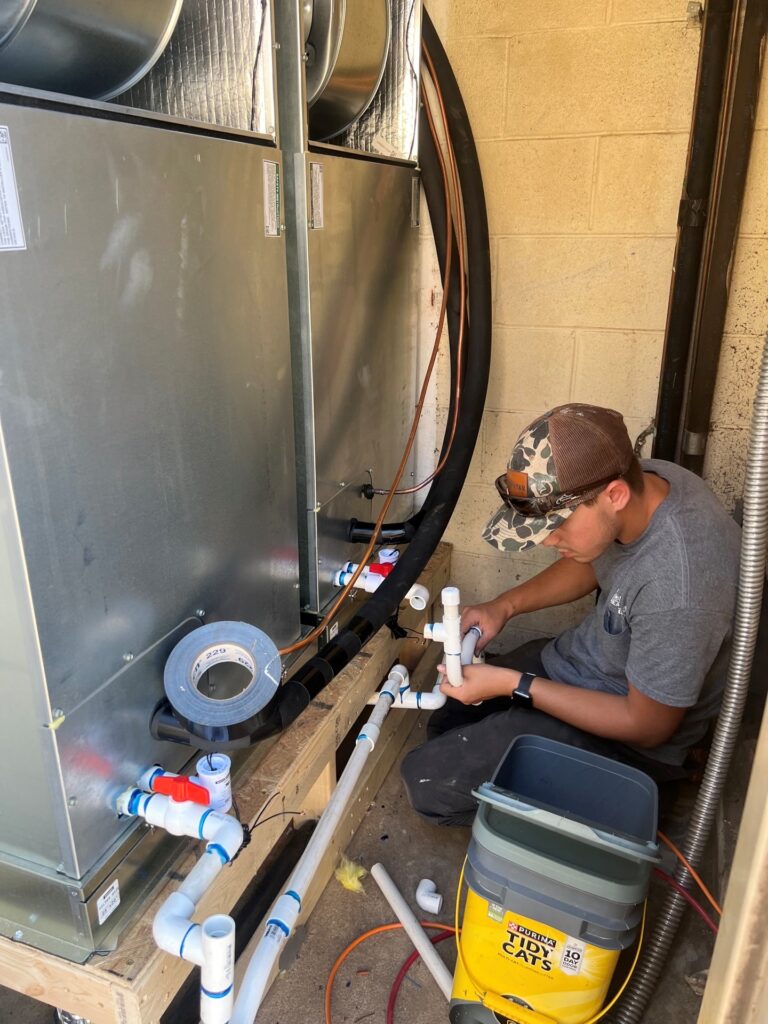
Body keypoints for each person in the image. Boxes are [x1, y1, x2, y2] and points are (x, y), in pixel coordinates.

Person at [401, 403, 741, 827]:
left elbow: (648, 727)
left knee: (427, 783)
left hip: (631, 744)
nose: (547, 542)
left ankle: (594, 823)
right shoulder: (643, 483)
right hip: (588, 665)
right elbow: (591, 560)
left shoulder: (681, 585)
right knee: (450, 721)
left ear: (615, 494)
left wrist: (515, 684)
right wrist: (502, 607)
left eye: (556, 527)